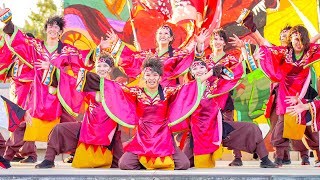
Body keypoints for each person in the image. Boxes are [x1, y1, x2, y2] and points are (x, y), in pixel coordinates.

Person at [0, 6, 93, 168]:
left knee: (67, 124)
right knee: (24, 122)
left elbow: (82, 61)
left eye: (56, 27)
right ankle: (6, 157)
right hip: (39, 95)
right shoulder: (36, 46)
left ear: (60, 31)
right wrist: (8, 22)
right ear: (46, 30)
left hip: (57, 94)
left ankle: (77, 153)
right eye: (50, 26)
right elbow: (20, 39)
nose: (52, 29)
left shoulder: (67, 50)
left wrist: (51, 69)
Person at [81, 58, 213, 170]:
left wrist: (211, 73)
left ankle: (150, 161)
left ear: (160, 77)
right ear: (143, 76)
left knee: (184, 164)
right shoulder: (136, 92)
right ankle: (147, 161)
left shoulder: (167, 92)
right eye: (148, 75)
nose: (151, 78)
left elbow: (187, 88)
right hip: (142, 137)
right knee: (124, 164)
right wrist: (96, 81)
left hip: (163, 136)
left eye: (155, 75)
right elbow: (117, 89)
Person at [237, 10, 320, 166]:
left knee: (306, 127)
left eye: (301, 38)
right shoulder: (284, 52)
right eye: (294, 38)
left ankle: (316, 155)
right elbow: (265, 44)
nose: (298, 42)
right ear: (289, 39)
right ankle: (280, 158)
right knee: (281, 125)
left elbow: (313, 40)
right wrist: (252, 28)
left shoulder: (310, 51)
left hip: (302, 92)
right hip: (285, 92)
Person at [182, 59, 278, 168]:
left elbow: (233, 76)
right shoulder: (188, 88)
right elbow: (196, 86)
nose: (198, 70)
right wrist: (210, 73)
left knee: (252, 128)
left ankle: (265, 159)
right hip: (197, 133)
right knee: (184, 164)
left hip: (216, 128)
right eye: (195, 69)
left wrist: (249, 60)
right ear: (191, 73)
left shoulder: (215, 84)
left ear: (206, 69)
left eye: (201, 67)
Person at [35, 54, 123, 168]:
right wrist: (52, 70)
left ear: (110, 69)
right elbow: (71, 82)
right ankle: (48, 160)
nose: (101, 68)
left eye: (105, 66)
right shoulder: (88, 84)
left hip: (107, 132)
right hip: (88, 127)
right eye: (99, 65)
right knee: (59, 129)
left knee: (121, 163)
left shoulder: (116, 86)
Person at [101, 25, 194, 87]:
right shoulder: (149, 53)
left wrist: (199, 45)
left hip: (169, 91)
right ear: (156, 37)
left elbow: (189, 59)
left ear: (170, 38)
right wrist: (117, 42)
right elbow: (132, 58)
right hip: (148, 90)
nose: (163, 36)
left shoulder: (177, 54)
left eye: (166, 33)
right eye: (160, 33)